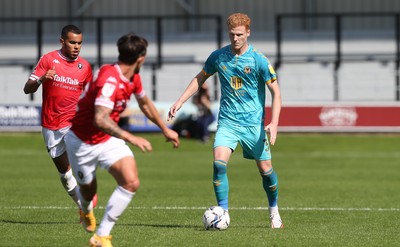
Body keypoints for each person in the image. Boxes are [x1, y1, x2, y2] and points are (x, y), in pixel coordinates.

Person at [168, 13, 283, 228]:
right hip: (228, 123)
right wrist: (180, 100)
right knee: (218, 164)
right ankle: (223, 212)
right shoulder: (218, 57)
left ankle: (274, 211)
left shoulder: (259, 59)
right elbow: (200, 77)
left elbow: (276, 92)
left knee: (266, 171)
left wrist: (274, 123)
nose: (236, 38)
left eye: (240, 34)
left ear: (248, 32)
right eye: (232, 35)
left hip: (252, 125)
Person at [65, 33, 180, 247]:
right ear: (141, 59)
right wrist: (131, 137)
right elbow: (100, 118)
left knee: (130, 182)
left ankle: (101, 236)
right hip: (82, 142)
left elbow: (144, 103)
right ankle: (86, 208)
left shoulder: (133, 78)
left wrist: (165, 129)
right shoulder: (109, 78)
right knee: (88, 191)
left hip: (108, 139)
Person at [23, 24, 97, 217]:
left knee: (82, 160)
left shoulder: (85, 67)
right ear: (62, 41)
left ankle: (88, 188)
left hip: (74, 123)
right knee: (65, 174)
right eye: (72, 42)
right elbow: (27, 88)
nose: (76, 47)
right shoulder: (48, 60)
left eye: (79, 43)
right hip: (51, 125)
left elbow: (91, 97)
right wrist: (41, 80)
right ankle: (83, 205)